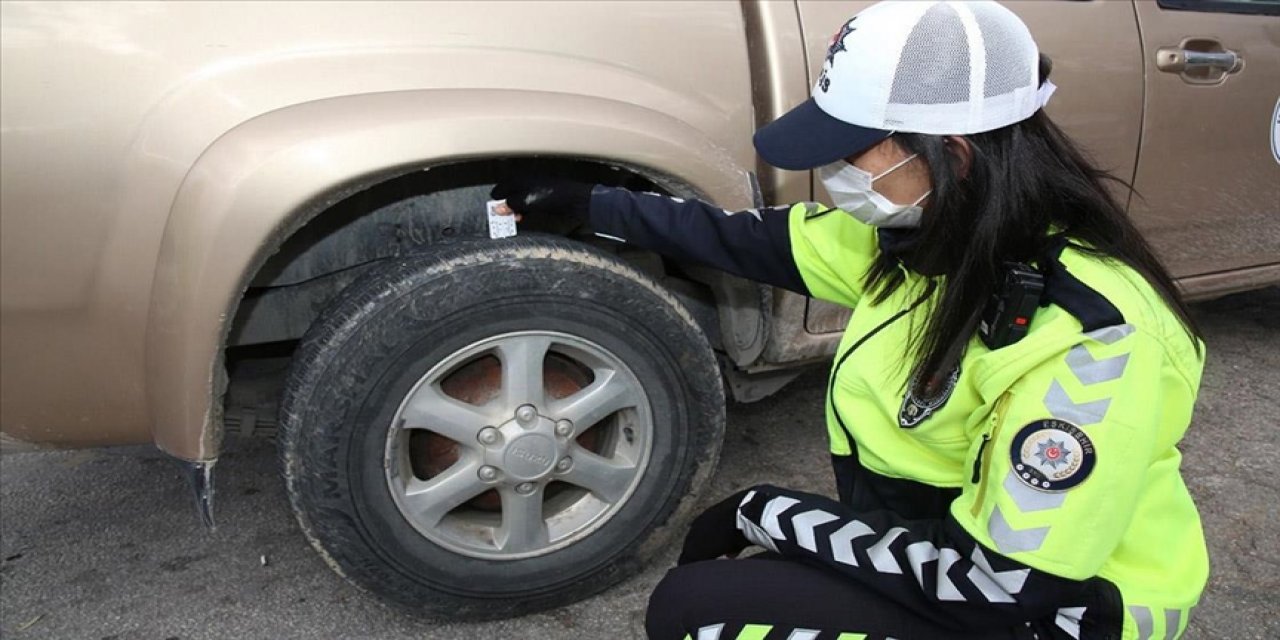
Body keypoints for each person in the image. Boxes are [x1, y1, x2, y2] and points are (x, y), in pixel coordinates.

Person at [492, 2, 1207, 638]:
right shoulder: (931, 239)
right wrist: (589, 205)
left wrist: (772, 514)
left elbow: (1002, 584)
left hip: (1060, 605)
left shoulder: (1092, 341)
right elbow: (754, 240)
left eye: (850, 150)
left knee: (702, 611)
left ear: (950, 155)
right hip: (951, 544)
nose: (835, 172)